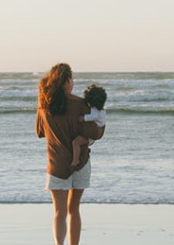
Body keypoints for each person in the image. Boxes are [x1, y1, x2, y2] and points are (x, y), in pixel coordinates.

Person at [36, 63, 105, 245]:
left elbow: (39, 132)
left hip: (57, 164)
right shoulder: (80, 104)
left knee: (59, 212)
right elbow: (95, 133)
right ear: (68, 80)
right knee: (74, 209)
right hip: (80, 162)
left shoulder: (44, 106)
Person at [71, 84, 107, 168]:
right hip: (97, 132)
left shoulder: (94, 109)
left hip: (92, 134)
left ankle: (75, 160)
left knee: (75, 143)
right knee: (77, 143)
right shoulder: (101, 109)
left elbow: (94, 116)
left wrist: (83, 118)